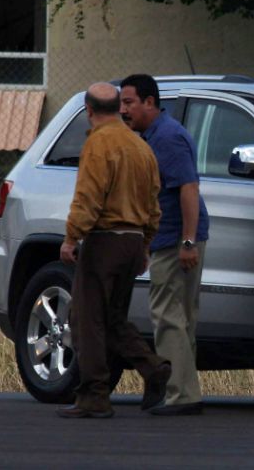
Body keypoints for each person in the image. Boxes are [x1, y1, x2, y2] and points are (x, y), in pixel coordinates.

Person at [56, 82, 172, 418]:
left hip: (104, 241)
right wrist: (146, 244)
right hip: (134, 241)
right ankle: (154, 368)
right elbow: (154, 203)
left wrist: (71, 237)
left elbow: (88, 197)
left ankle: (94, 395)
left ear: (89, 111)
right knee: (113, 318)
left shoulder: (98, 144)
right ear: (119, 108)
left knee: (86, 319)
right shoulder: (140, 147)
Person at [120, 74, 210, 416]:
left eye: (129, 103)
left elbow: (189, 189)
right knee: (182, 318)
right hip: (172, 238)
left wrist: (187, 242)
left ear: (150, 102)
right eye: (121, 104)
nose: (124, 110)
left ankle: (180, 395)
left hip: (177, 239)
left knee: (167, 316)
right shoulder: (153, 135)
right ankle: (186, 392)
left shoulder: (168, 138)